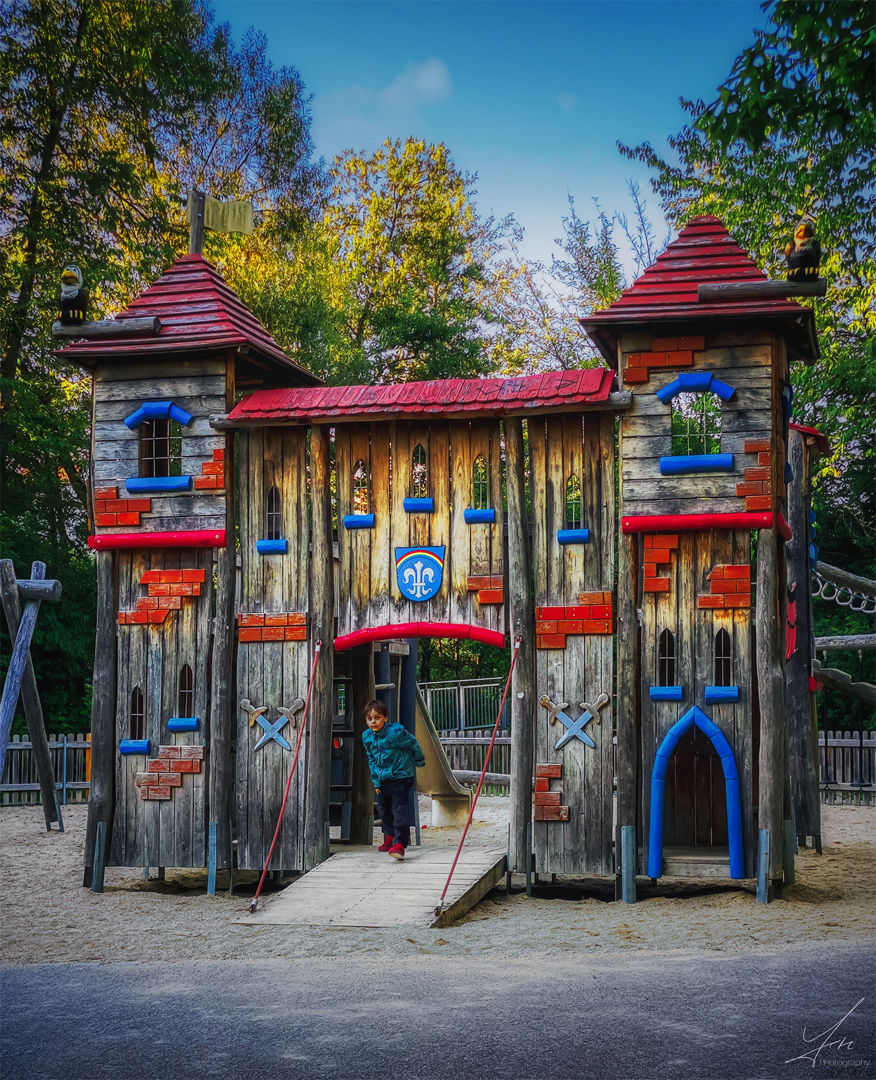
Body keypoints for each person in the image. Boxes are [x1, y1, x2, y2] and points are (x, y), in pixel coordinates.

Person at [361, 699, 425, 861]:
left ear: (385, 718)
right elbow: (371, 758)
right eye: (370, 718)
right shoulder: (367, 737)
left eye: (377, 717)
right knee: (383, 810)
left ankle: (400, 845)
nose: (373, 721)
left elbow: (413, 743)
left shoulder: (395, 733)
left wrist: (419, 760)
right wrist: (375, 780)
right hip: (384, 779)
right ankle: (390, 837)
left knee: (399, 810)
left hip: (402, 775)